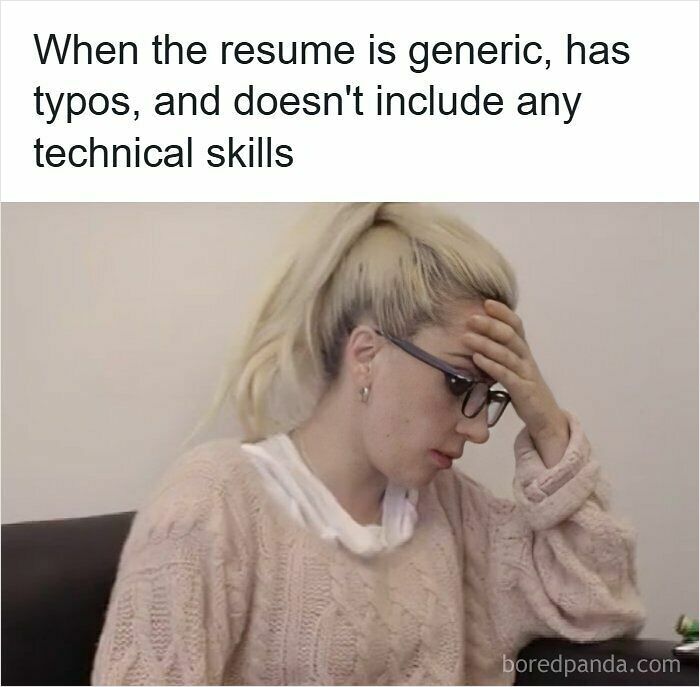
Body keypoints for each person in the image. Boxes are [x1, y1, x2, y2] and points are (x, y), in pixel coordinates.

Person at [92, 203, 646, 685]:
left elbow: (600, 606)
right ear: (367, 354)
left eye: (489, 395)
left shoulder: (454, 513)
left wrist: (546, 424)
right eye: (460, 384)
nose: (479, 430)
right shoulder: (211, 502)